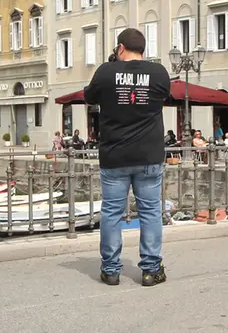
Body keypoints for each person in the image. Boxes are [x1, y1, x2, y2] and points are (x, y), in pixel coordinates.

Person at [84, 27, 171, 287]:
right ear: (143, 49)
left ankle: (111, 270)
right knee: (150, 211)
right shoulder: (159, 73)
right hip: (148, 155)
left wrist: (112, 68)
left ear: (120, 48)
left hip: (114, 155)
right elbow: (163, 96)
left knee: (112, 212)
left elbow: (89, 96)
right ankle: (151, 270)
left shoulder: (105, 72)